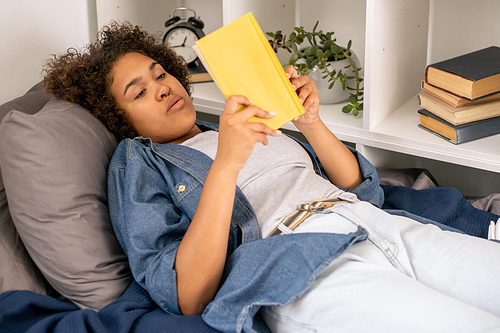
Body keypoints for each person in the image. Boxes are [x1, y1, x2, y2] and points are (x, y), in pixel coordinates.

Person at [44, 22, 500, 332]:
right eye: (139, 92)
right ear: (118, 118)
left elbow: (363, 190)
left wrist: (310, 122)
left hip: (375, 224)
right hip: (302, 266)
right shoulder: (139, 164)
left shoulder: (230, 122)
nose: (162, 87)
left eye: (159, 73)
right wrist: (226, 162)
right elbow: (187, 296)